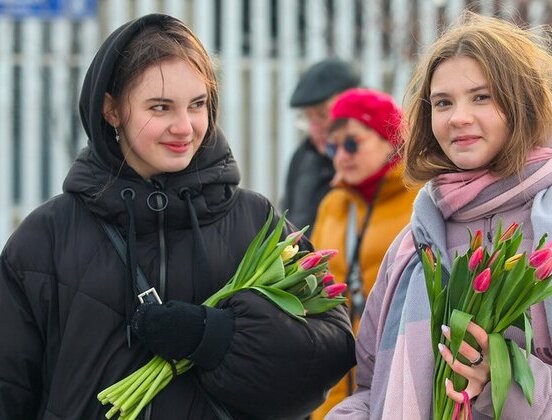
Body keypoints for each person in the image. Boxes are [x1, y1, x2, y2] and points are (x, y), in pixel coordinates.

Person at [0, 14, 355, 419]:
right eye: (161, 107)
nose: (184, 127)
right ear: (112, 110)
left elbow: (328, 352)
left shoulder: (255, 221)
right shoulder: (46, 238)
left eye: (198, 105)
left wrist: (217, 338)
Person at [329, 11, 552, 419]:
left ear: (522, 103)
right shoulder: (419, 237)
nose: (458, 117)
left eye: (481, 97)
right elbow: (371, 387)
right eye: (443, 103)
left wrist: (499, 379)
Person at [310, 88, 422, 418]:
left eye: (352, 142)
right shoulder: (333, 204)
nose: (341, 155)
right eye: (333, 146)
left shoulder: (420, 201)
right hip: (331, 386)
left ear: (390, 140)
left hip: (395, 380)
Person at [281, 57, 360, 235]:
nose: (315, 128)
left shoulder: (368, 158)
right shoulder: (302, 157)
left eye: (323, 115)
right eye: (308, 117)